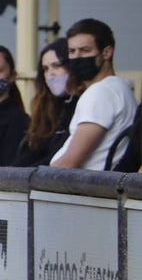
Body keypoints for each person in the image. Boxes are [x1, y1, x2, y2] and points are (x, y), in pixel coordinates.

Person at [50, 18, 137, 170]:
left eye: (85, 50)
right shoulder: (120, 89)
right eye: (72, 51)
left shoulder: (101, 93)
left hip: (83, 190)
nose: (77, 57)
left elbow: (69, 163)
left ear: (107, 52)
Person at [13, 38, 77, 167]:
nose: (50, 74)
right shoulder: (46, 107)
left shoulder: (81, 104)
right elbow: (34, 149)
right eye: (45, 69)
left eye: (56, 66)